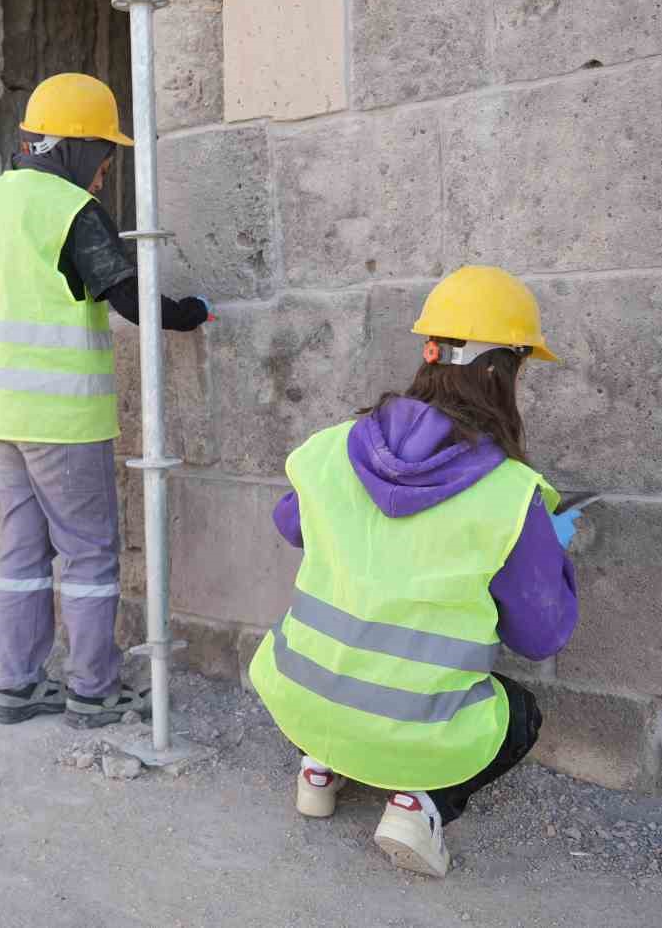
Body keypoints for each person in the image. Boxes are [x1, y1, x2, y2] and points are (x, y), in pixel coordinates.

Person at [248, 265, 581, 878]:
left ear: (429, 354)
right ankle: (416, 804)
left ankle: (319, 767)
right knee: (520, 714)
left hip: (300, 701)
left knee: (341, 677)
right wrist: (543, 548)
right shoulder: (511, 494)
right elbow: (540, 637)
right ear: (502, 369)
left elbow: (290, 524)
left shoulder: (330, 448)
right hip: (409, 734)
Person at [0, 73, 213, 729]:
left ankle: (14, 683)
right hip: (59, 417)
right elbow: (124, 296)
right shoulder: (68, 210)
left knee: (21, 549)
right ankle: (93, 690)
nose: (103, 172)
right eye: (104, 153)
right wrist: (188, 314)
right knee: (90, 551)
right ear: (72, 145)